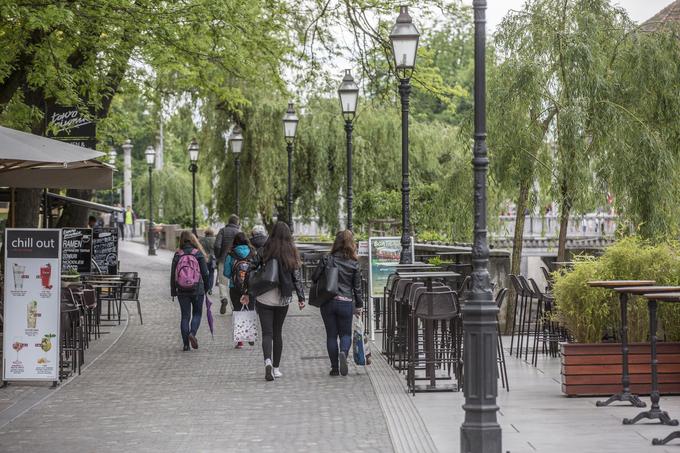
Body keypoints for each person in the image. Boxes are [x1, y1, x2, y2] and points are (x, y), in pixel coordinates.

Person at [249, 222, 305, 381]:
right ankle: (276, 368)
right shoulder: (291, 252)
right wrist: (301, 298)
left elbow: (251, 269)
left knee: (267, 333)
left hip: (264, 296)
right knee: (277, 332)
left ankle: (267, 361)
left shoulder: (264, 249)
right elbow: (297, 276)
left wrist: (249, 291)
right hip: (282, 297)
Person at [316, 230, 363, 376]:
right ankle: (343, 352)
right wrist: (359, 305)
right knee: (345, 334)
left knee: (331, 335)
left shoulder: (327, 259)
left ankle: (334, 368)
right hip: (346, 302)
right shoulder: (354, 263)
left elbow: (314, 277)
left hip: (328, 301)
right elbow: (357, 288)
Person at [170, 231, 210, 351]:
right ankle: (192, 333)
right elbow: (205, 273)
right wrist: (206, 288)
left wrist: (173, 291)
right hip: (198, 289)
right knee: (197, 314)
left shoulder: (178, 254)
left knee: (185, 316)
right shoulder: (197, 254)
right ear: (193, 240)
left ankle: (186, 345)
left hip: (182, 290)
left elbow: (173, 275)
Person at [223, 232, 256, 348]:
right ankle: (250, 335)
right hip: (251, 286)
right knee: (250, 309)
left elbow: (226, 273)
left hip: (235, 286)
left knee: (238, 311)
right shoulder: (252, 252)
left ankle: (240, 341)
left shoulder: (231, 254)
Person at [214, 214, 241, 314]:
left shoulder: (223, 231)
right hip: (236, 260)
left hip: (223, 259)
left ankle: (224, 298)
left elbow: (217, 245)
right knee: (234, 282)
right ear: (237, 222)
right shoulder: (238, 232)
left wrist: (219, 256)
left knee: (223, 282)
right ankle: (234, 306)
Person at [199, 228, 217, 294]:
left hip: (203, 258)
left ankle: (204, 287)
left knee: (203, 273)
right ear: (212, 233)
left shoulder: (201, 240)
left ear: (205, 233)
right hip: (212, 259)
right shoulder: (215, 240)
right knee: (211, 273)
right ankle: (210, 289)